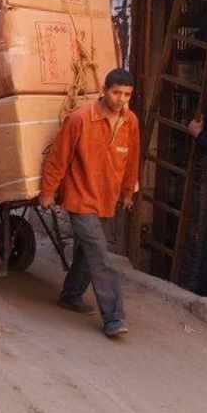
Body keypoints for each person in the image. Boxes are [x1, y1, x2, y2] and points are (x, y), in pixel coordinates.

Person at [39, 68, 140, 338]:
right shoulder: (80, 119)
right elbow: (58, 158)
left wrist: (129, 192)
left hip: (108, 198)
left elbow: (132, 160)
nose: (121, 99)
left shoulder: (131, 121)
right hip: (80, 196)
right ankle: (114, 317)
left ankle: (71, 295)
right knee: (100, 255)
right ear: (104, 91)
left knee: (88, 251)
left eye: (127, 95)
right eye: (116, 92)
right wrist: (48, 191)